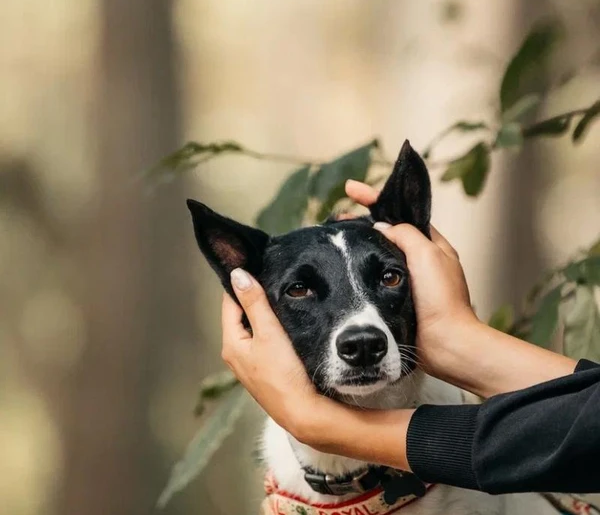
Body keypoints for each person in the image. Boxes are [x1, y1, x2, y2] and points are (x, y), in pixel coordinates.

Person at [220, 179, 600, 495]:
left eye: (388, 277)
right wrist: (460, 341)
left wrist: (318, 424)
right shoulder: (282, 499)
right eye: (300, 290)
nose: (360, 333)